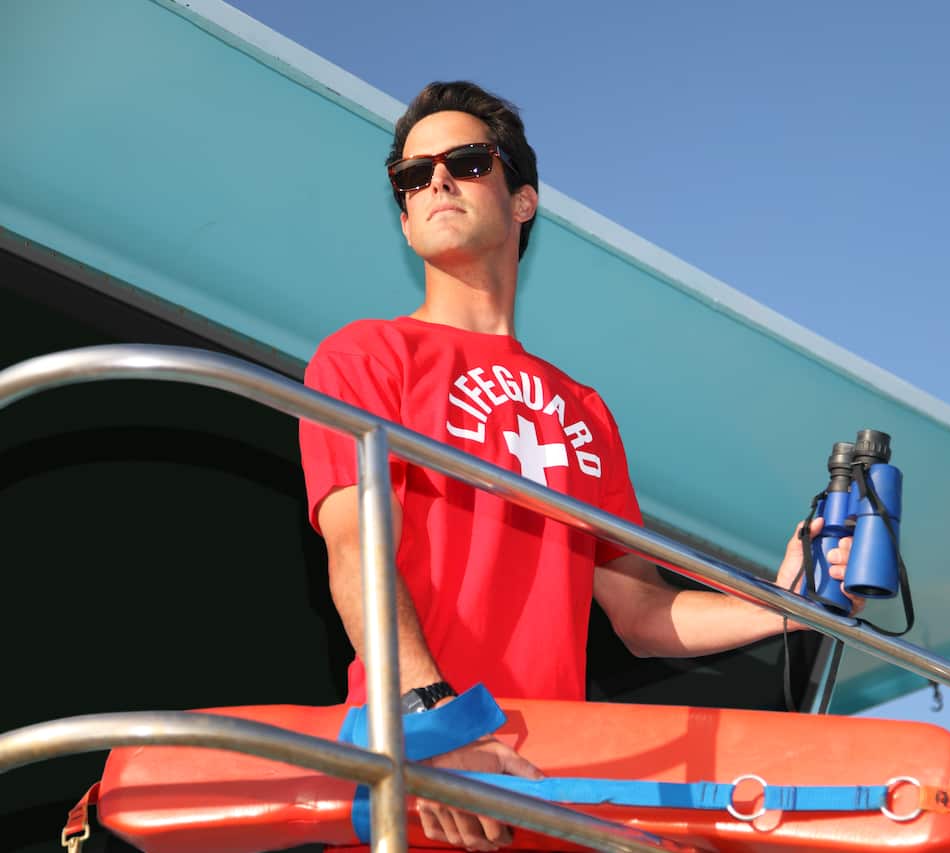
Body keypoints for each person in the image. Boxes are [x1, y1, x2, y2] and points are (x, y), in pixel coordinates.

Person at [299, 80, 861, 851]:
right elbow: (357, 551)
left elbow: (642, 613)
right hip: (421, 776)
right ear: (403, 215)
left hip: (549, 788)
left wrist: (786, 605)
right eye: (413, 175)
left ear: (523, 199)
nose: (436, 182)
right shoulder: (365, 356)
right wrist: (433, 719)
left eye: (467, 162)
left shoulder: (584, 408)